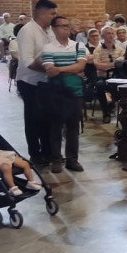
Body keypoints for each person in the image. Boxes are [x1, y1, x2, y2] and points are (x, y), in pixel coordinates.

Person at [40, 16, 87, 173]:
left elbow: (81, 65)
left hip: (75, 91)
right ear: (54, 29)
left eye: (68, 25)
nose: (66, 28)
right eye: (62, 26)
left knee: (73, 126)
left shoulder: (78, 46)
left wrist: (60, 69)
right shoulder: (48, 48)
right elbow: (50, 70)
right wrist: (73, 70)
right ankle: (56, 159)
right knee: (55, 126)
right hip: (56, 92)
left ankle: (72, 160)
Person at [16, 0, 58, 166]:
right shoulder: (28, 31)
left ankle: (48, 152)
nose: (54, 17)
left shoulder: (50, 31)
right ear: (41, 13)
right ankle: (35, 154)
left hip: (46, 81)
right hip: (29, 81)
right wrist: (50, 70)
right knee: (33, 119)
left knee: (48, 118)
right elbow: (27, 61)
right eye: (52, 13)